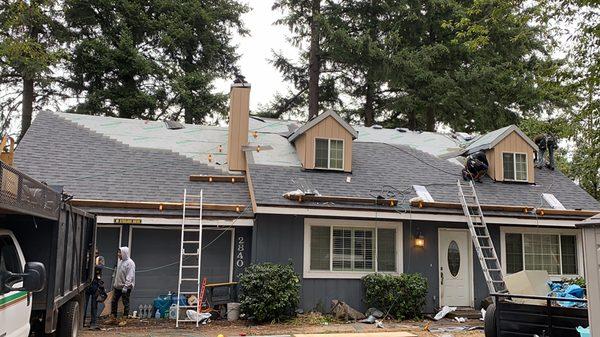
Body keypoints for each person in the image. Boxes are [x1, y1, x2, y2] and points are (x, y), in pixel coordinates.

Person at [110, 247, 135, 323]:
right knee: (114, 301)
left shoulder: (130, 263)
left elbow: (130, 276)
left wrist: (126, 286)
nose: (118, 254)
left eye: (119, 253)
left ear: (124, 253)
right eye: (118, 252)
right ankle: (113, 318)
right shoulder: (120, 262)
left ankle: (124, 319)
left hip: (125, 287)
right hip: (118, 287)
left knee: (125, 303)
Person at [84, 250, 104, 329]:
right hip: (87, 285)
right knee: (84, 305)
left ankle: (94, 323)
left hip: (96, 285)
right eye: (93, 253)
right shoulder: (87, 259)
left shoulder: (100, 258)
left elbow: (101, 266)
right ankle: (82, 322)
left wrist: (92, 264)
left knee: (94, 306)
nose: (94, 254)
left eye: (96, 253)